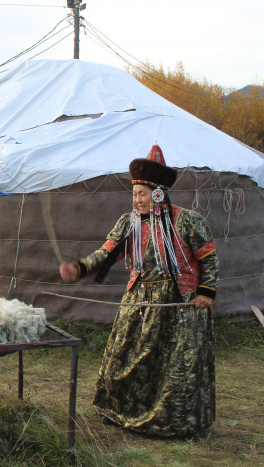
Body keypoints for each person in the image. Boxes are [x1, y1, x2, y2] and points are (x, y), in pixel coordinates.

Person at [59, 144, 218, 438]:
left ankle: (173, 424)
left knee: (176, 365)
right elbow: (105, 254)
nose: (137, 200)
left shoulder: (186, 221)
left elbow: (209, 259)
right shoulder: (129, 223)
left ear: (158, 192)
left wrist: (206, 292)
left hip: (179, 304)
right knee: (124, 355)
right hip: (139, 301)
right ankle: (121, 412)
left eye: (142, 194)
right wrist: (79, 268)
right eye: (134, 194)